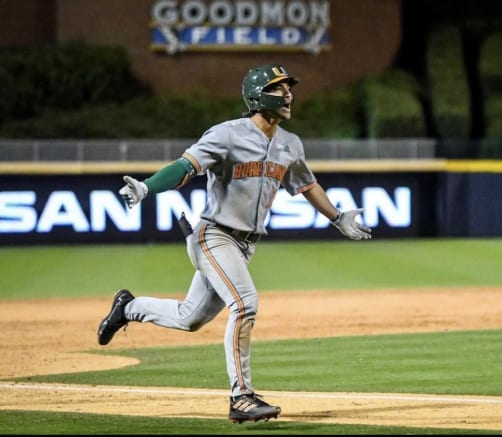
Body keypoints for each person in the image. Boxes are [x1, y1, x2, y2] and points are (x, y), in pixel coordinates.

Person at [96, 63, 372, 424]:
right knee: (245, 304)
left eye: (289, 88)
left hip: (245, 246)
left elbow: (306, 185)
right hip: (215, 236)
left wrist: (337, 217)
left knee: (190, 317)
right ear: (257, 96)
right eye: (279, 88)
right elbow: (186, 166)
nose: (288, 94)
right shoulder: (227, 135)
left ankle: (128, 308)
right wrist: (148, 187)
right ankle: (241, 397)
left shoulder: (290, 143)